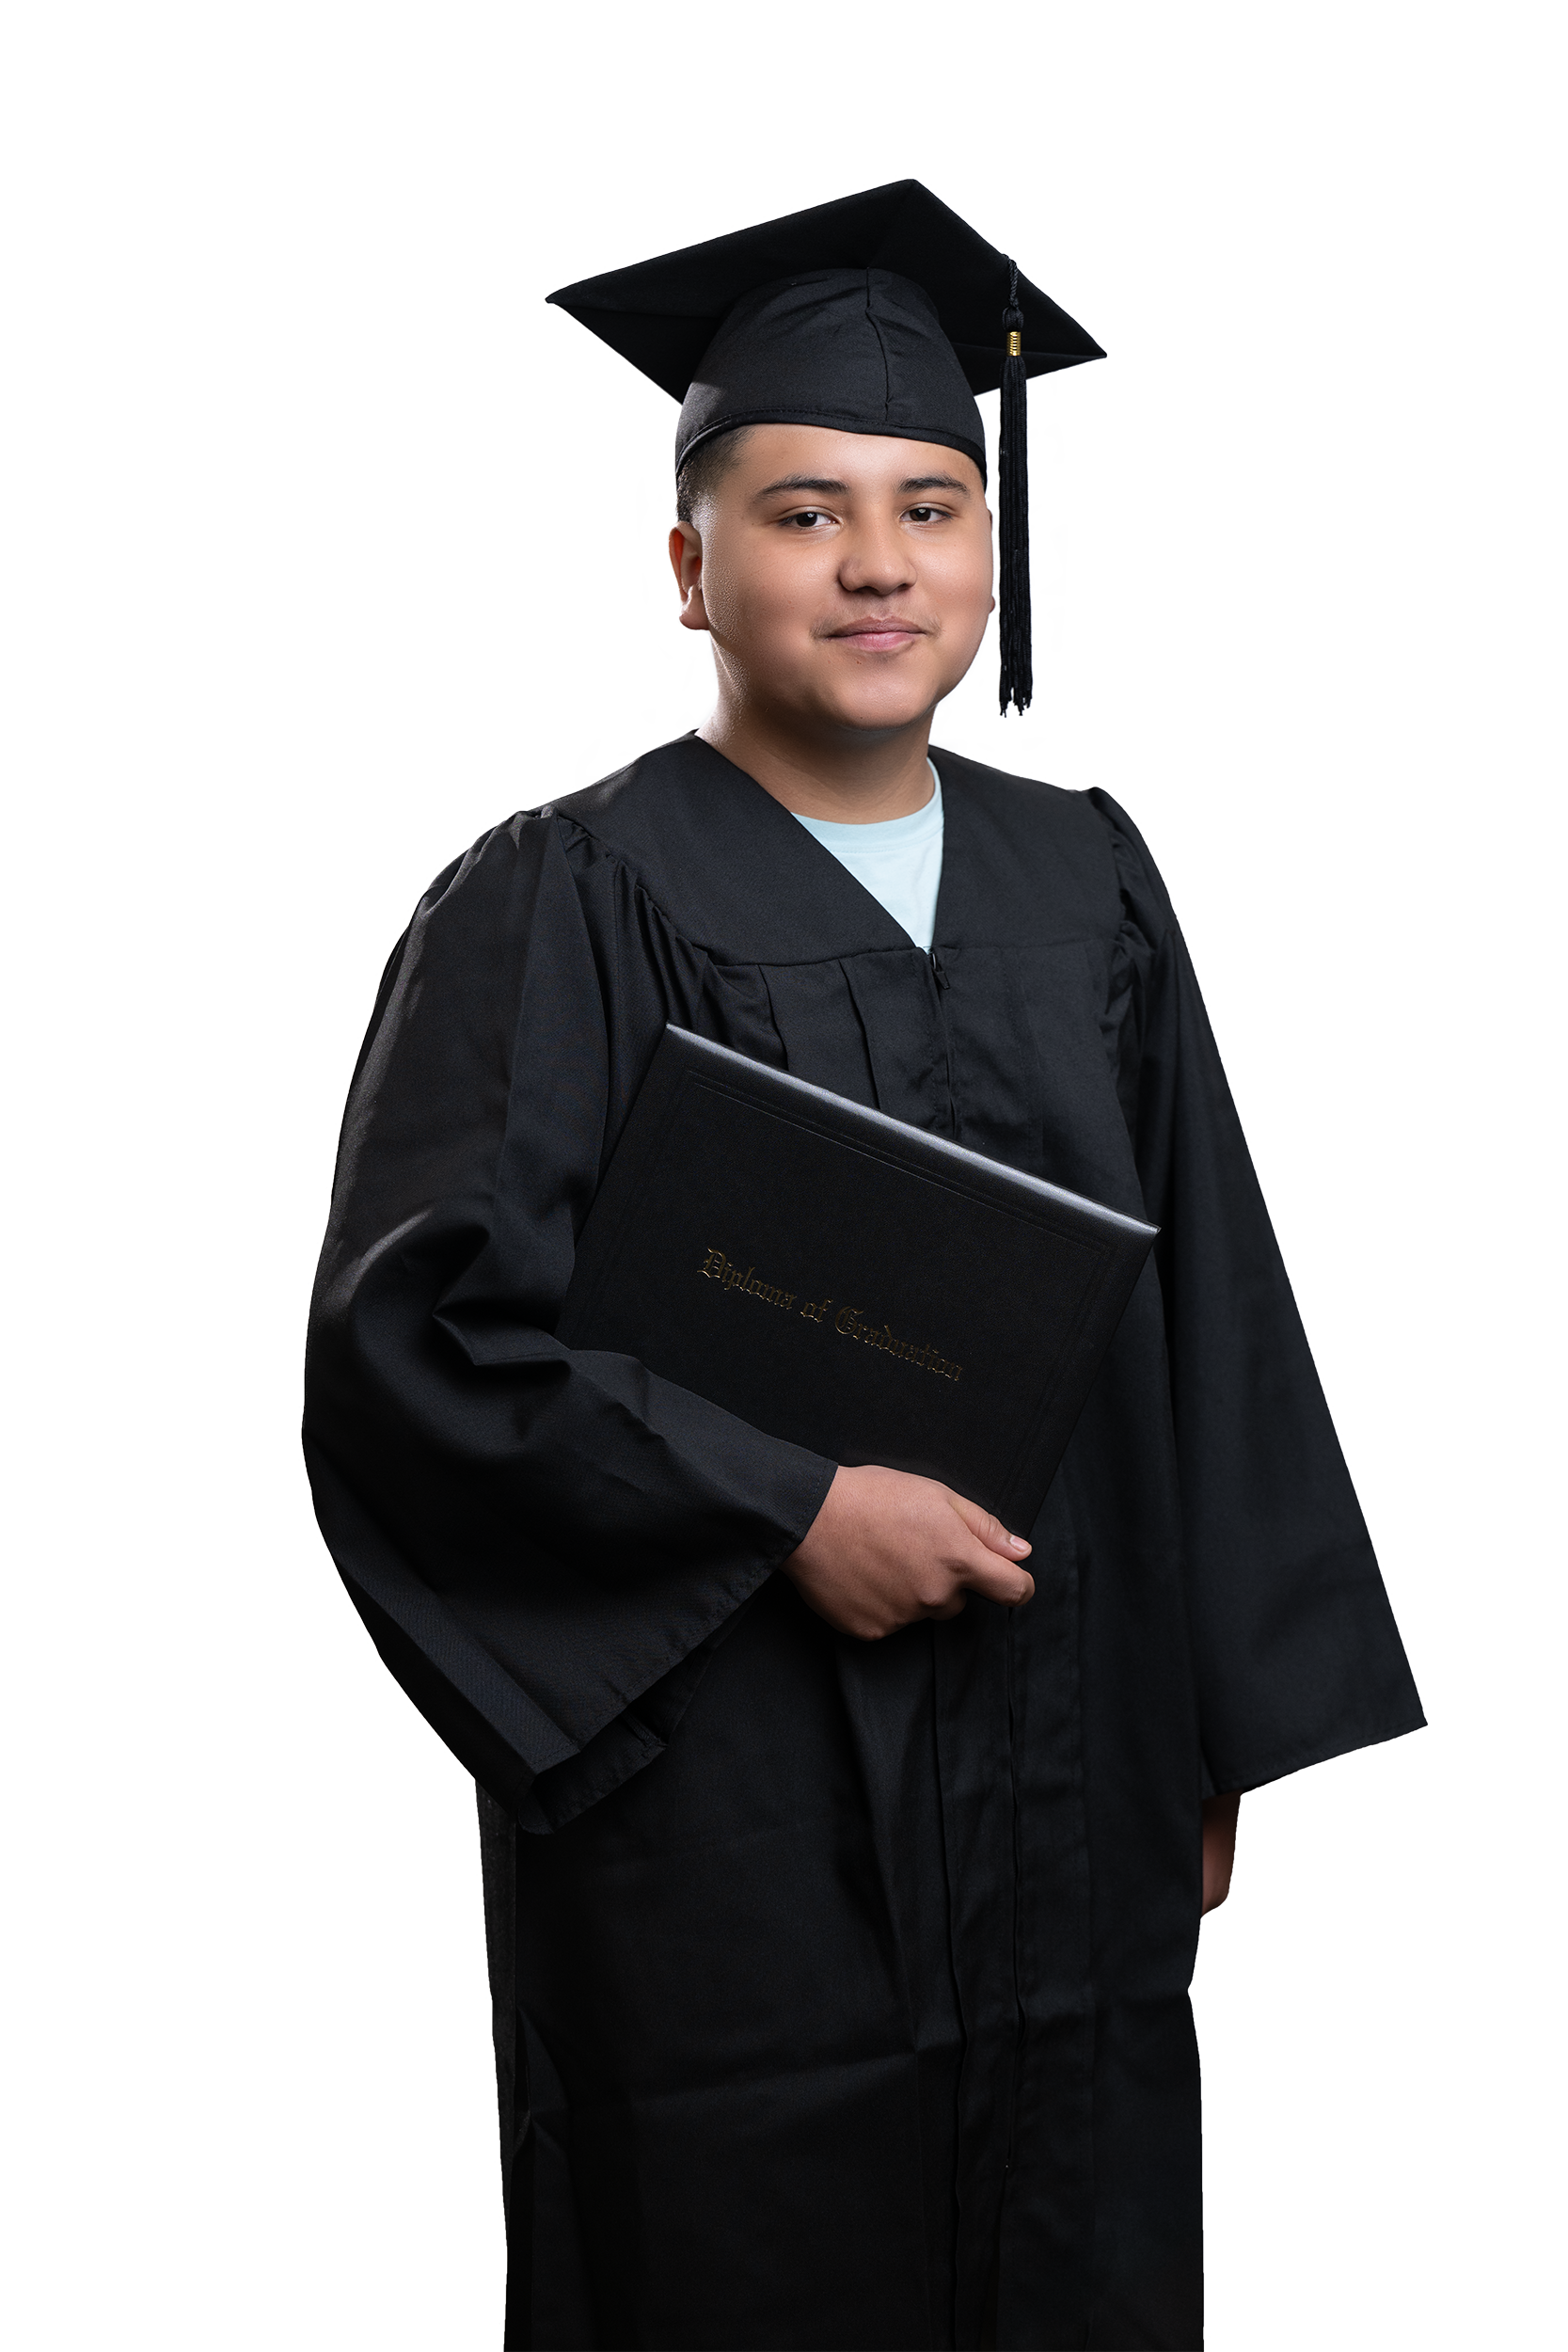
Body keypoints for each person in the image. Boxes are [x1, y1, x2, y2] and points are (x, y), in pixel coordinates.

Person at [303, 181, 1425, 2352]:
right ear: (686, 565)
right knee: (737, 2245)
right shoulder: (568, 897)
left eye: (931, 504)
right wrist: (788, 1507)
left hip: (1070, 1762)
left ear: (991, 553)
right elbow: (412, 1345)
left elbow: (1208, 1319)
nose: (880, 559)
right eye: (803, 510)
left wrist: (1211, 1725)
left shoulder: (1080, 879)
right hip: (727, 1808)